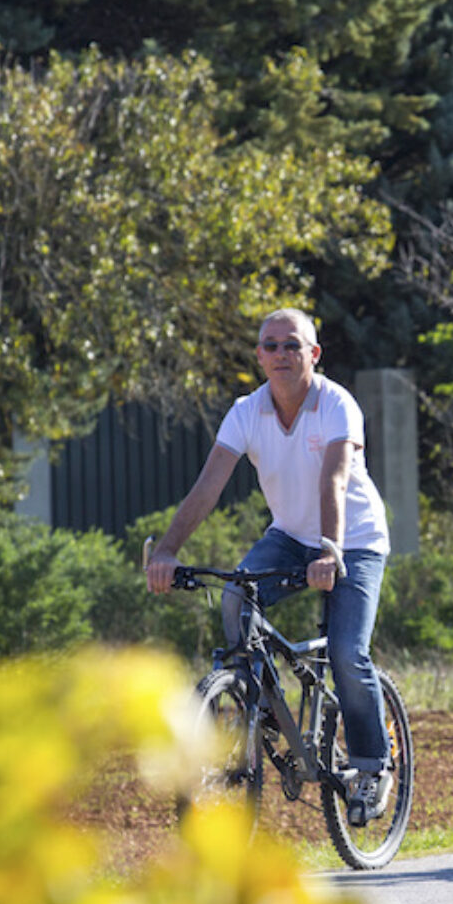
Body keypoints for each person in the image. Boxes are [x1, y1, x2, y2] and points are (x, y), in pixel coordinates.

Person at [144, 308, 393, 823]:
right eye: (271, 345)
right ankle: (257, 706)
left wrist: (330, 551)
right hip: (287, 537)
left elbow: (335, 481)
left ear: (313, 354)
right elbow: (208, 486)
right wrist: (167, 550)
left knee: (347, 653)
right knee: (235, 597)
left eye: (292, 345)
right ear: (258, 356)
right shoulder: (245, 412)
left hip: (354, 541)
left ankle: (373, 766)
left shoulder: (335, 404)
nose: (282, 354)